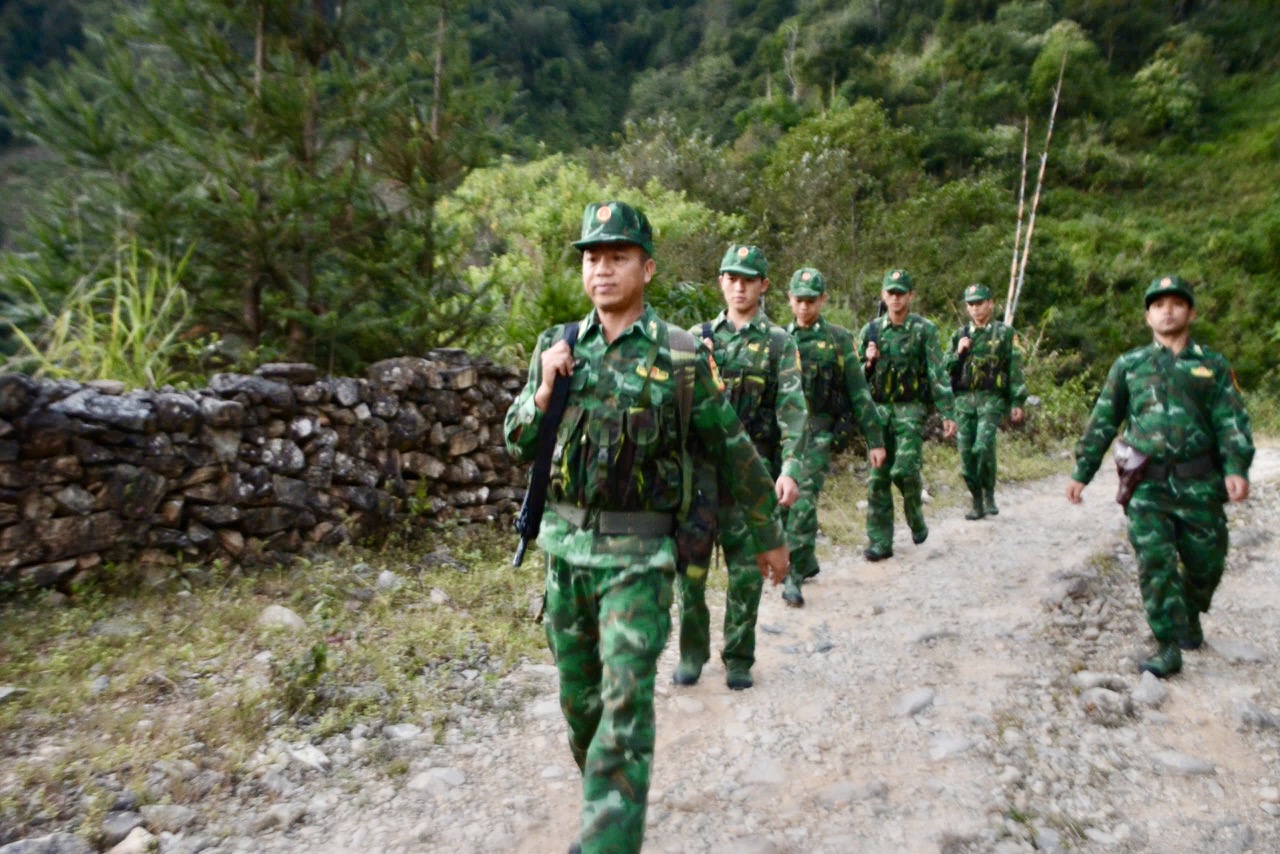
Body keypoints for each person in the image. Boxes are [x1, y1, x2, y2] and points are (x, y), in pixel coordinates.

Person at [504, 202, 791, 854]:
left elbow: (732, 447)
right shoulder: (559, 346)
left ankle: (609, 839)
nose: (602, 270)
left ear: (647, 267)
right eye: (592, 258)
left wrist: (768, 532)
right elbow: (517, 443)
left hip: (639, 559)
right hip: (565, 556)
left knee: (625, 704)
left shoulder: (683, 357)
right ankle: (610, 801)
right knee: (581, 708)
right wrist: (542, 392)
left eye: (617, 257)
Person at [1066, 275, 1253, 678]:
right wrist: (1083, 471)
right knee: (1155, 563)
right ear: (1148, 315)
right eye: (1158, 304)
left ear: (1191, 312)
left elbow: (1231, 421)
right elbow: (1103, 420)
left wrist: (1236, 467)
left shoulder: (1212, 365)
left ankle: (1189, 610)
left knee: (1207, 563)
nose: (1167, 310)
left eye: (1176, 303)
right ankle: (1167, 643)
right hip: (1146, 484)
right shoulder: (1130, 366)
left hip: (1200, 482)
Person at [674, 243, 807, 690]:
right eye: (731, 278)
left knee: (746, 574)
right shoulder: (695, 338)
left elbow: (792, 410)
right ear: (721, 283)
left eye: (748, 279)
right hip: (700, 479)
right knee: (689, 575)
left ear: (764, 286)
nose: (739, 286)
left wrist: (789, 467)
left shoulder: (778, 343)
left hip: (750, 478)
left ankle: (738, 656)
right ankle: (692, 653)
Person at [781, 266, 887, 606]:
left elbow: (858, 392)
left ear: (823, 300)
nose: (804, 308)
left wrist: (875, 439)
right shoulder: (779, 339)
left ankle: (793, 574)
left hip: (818, 434)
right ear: (788, 300)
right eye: (799, 300)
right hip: (784, 436)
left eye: (811, 301)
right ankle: (806, 559)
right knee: (780, 505)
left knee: (802, 501)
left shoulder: (839, 340)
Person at [856, 269, 957, 560]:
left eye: (901, 293)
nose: (896, 298)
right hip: (879, 411)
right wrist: (869, 361)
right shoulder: (871, 331)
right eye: (891, 292)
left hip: (911, 410)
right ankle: (880, 541)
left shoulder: (924, 330)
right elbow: (856, 379)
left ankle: (914, 512)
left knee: (904, 468)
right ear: (883, 295)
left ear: (910, 295)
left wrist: (947, 411)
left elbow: (936, 372)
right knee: (877, 479)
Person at [944, 283, 1028, 520]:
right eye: (971, 304)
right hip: (963, 402)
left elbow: (1015, 369)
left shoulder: (1004, 334)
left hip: (990, 400)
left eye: (980, 303)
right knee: (966, 454)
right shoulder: (959, 335)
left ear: (991, 303)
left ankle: (988, 492)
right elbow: (944, 371)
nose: (976, 309)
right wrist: (958, 353)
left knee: (983, 446)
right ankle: (977, 500)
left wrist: (1017, 402)